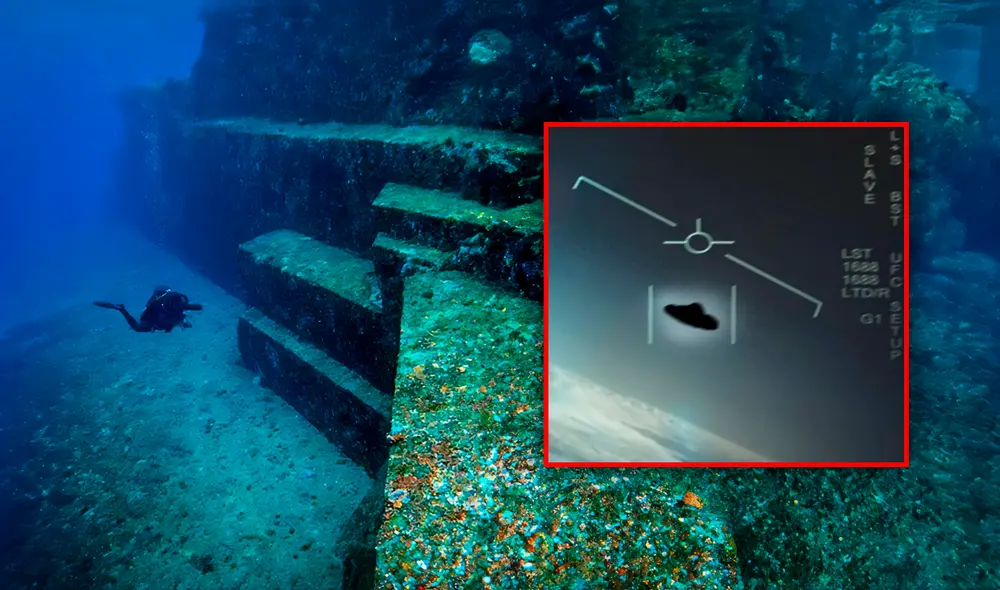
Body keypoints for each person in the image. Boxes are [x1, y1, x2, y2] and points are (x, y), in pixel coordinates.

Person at [94, 286, 203, 332]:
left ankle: (121, 309)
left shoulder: (178, 306)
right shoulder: (157, 311)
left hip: (164, 319)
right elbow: (138, 326)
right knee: (138, 328)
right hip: (156, 320)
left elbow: (198, 307)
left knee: (138, 328)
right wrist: (122, 310)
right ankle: (120, 308)